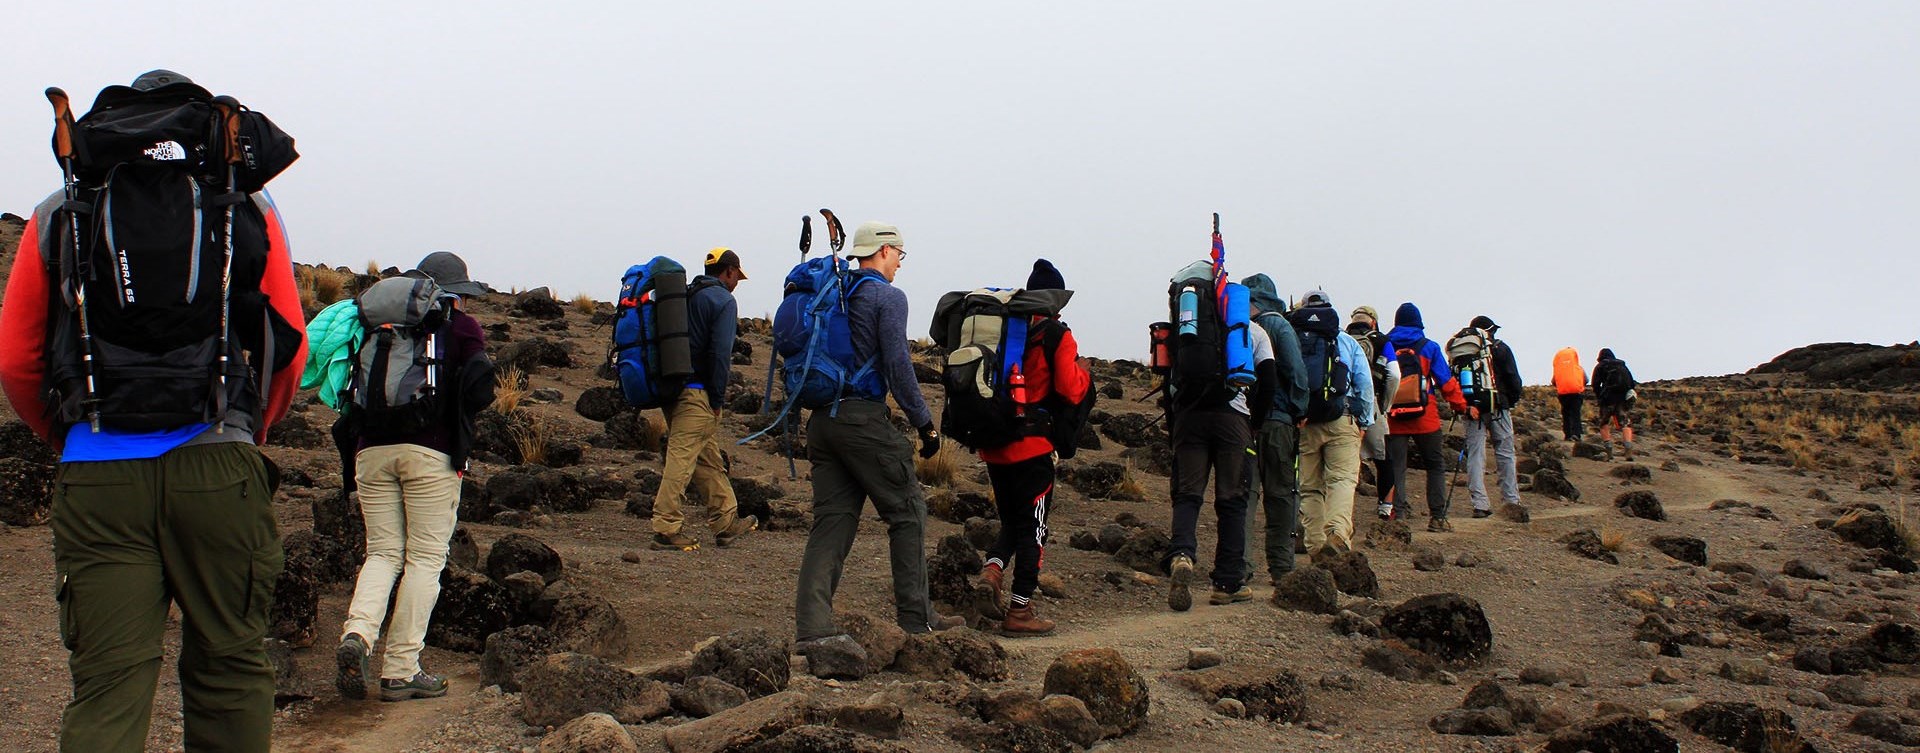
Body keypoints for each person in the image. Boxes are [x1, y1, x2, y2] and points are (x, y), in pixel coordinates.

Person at [0, 70, 308, 751]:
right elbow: (289, 345)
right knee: (229, 669)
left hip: (100, 474)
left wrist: (71, 438)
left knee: (107, 689)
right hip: (220, 467)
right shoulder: (243, 205)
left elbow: (16, 359)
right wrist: (248, 430)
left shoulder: (63, 209)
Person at [336, 252, 497, 702]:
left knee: (383, 553)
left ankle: (358, 635)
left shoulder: (375, 326)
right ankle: (401, 670)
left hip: (370, 451)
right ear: (455, 293)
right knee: (425, 560)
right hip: (432, 455)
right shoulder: (462, 328)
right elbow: (481, 390)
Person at [795, 222, 961, 652]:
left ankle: (813, 628)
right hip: (862, 421)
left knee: (832, 522)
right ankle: (916, 619)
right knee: (907, 512)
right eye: (900, 256)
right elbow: (898, 368)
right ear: (885, 251)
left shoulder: (836, 290)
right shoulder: (887, 297)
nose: (900, 266)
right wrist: (925, 424)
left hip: (822, 422)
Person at [974, 260, 1092, 636]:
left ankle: (992, 570)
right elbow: (1072, 389)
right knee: (1034, 529)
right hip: (1033, 448)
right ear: (1057, 300)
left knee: (1012, 520)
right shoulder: (1057, 334)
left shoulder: (1008, 328)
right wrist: (1085, 371)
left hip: (995, 445)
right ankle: (1019, 611)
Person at [1165, 281, 1273, 611]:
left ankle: (1182, 554)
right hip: (1233, 421)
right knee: (1232, 501)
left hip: (1189, 420)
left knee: (1187, 495)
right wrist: (1254, 423)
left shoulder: (1185, 331)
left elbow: (1170, 382)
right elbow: (1268, 381)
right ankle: (1227, 583)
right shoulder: (1252, 332)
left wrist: (1176, 426)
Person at [650, 248, 758, 550]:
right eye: (737, 276)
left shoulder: (686, 294)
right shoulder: (723, 300)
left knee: (706, 458)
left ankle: (726, 521)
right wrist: (717, 398)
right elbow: (719, 353)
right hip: (698, 394)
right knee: (682, 459)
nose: (737, 282)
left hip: (672, 390)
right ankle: (666, 527)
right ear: (730, 272)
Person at [1290, 290, 1374, 552]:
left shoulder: (1295, 339)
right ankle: (1337, 532)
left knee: (1310, 487)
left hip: (1305, 421)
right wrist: (1365, 422)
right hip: (1343, 417)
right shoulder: (1346, 341)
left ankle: (1315, 546)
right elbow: (1364, 383)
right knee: (1341, 480)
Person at [1238, 275, 1306, 583]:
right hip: (1278, 421)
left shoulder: (1235, 327)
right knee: (1281, 495)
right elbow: (1294, 370)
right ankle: (1281, 567)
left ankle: (1239, 566)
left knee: (1244, 495)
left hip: (1240, 422)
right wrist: (1299, 408)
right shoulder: (1278, 325)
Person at [1382, 303, 1469, 531]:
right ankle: (1437, 517)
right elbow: (1446, 382)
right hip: (1425, 417)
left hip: (1393, 416)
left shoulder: (1385, 345)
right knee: (1435, 465)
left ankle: (1397, 515)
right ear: (1418, 323)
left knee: (1396, 467)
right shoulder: (1428, 347)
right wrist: (1461, 406)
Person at [1460, 316, 1524, 518]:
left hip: (1472, 410)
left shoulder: (1462, 350)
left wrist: (1466, 404)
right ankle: (1511, 501)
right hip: (1499, 407)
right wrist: (1510, 400)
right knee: (1505, 453)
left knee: (1476, 454)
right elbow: (1514, 378)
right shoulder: (1500, 348)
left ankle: (1480, 504)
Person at [1348, 306, 1398, 516]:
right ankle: (1386, 507)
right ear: (1374, 322)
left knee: (1345, 459)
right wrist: (1385, 405)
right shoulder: (1381, 340)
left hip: (1345, 406)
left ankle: (1343, 509)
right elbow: (1394, 375)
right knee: (1383, 457)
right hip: (1373, 403)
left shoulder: (1342, 337)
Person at [1591, 347, 1638, 453]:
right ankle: (1628, 447)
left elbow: (1595, 384)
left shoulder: (1600, 366)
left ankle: (1608, 449)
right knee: (1625, 423)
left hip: (1607, 399)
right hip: (1622, 399)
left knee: (1604, 423)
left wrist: (1600, 396)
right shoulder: (1622, 365)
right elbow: (1631, 383)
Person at [1551, 347, 1587, 441]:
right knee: (1576, 413)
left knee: (1566, 413)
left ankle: (1567, 434)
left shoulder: (1559, 369)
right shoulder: (1578, 368)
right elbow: (1586, 380)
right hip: (1576, 393)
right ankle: (1577, 434)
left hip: (1563, 394)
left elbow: (1554, 381)